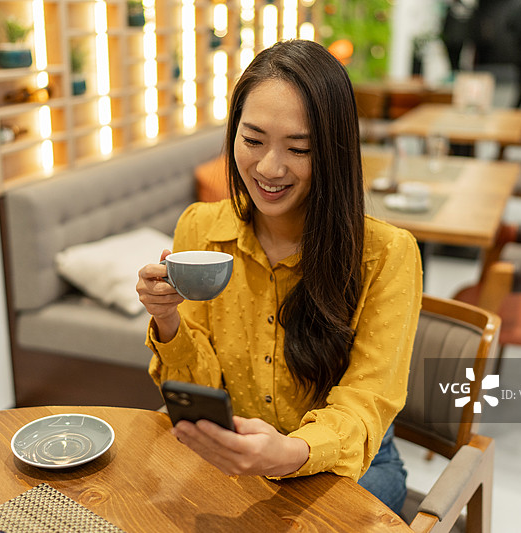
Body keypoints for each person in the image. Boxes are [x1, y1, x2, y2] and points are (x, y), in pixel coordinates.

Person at [136, 39, 422, 516]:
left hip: (346, 466)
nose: (269, 168)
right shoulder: (200, 228)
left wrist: (289, 453)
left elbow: (366, 402)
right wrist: (167, 320)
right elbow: (200, 388)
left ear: (333, 152)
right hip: (235, 449)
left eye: (299, 148)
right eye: (252, 141)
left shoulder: (387, 255)